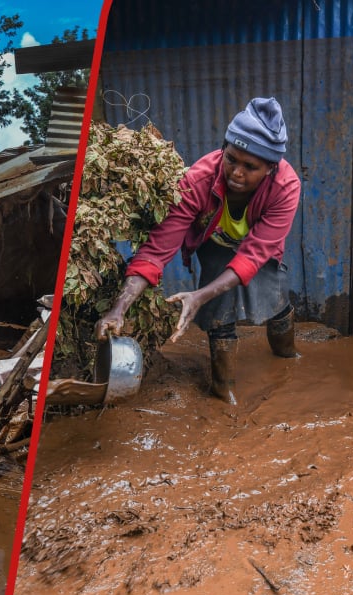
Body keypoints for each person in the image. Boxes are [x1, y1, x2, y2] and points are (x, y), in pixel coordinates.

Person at [95, 97, 303, 404]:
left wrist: (198, 295)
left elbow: (254, 255)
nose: (237, 173)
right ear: (223, 148)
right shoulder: (198, 181)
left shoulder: (286, 186)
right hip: (214, 242)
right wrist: (119, 308)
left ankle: (287, 356)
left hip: (258, 248)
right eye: (231, 159)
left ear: (271, 169)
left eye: (251, 167)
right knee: (219, 312)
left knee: (278, 299)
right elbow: (157, 250)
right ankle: (223, 387)